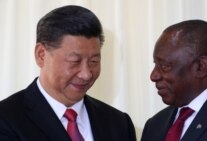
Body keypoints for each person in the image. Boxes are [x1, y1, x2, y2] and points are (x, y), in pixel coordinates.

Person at [0, 5, 136, 141]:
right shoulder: (6, 119)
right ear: (41, 55)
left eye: (93, 61)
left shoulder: (119, 123)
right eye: (75, 61)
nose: (86, 74)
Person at [141, 20, 207, 141]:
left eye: (164, 66)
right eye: (155, 64)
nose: (153, 76)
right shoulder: (155, 125)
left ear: (200, 66)